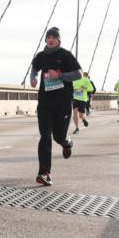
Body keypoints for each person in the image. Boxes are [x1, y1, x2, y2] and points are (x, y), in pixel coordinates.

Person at [29, 28, 80, 185]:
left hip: (63, 103)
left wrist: (60, 76)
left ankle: (66, 143)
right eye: (48, 37)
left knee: (58, 136)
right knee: (45, 136)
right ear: (46, 40)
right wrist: (33, 78)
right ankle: (44, 172)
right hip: (45, 102)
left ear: (58, 40)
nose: (50, 40)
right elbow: (35, 68)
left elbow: (78, 74)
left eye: (54, 37)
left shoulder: (65, 55)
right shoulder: (41, 56)